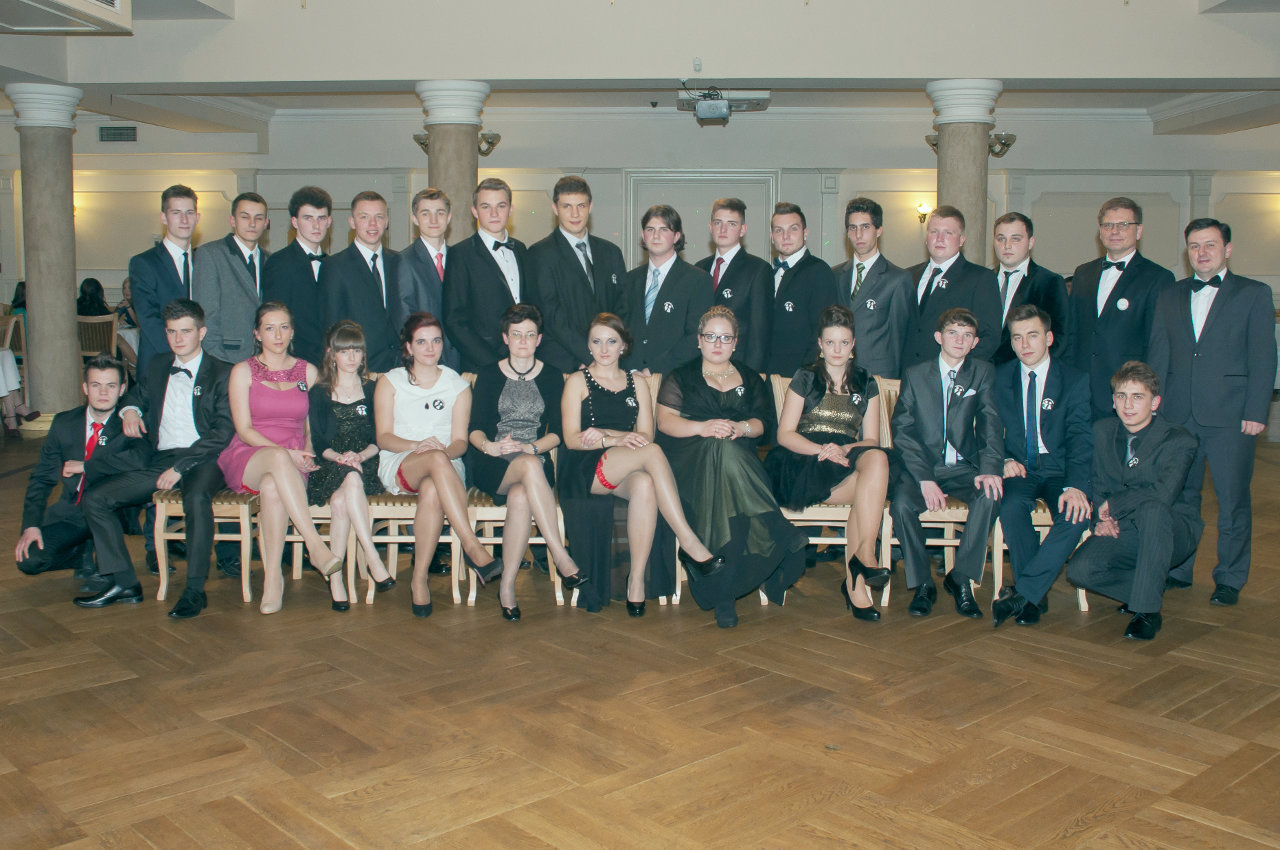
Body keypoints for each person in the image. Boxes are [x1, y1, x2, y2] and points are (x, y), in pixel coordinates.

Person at [77, 301, 234, 617]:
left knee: (196, 498)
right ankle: (124, 582)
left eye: (185, 331)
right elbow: (135, 395)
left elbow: (223, 431)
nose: (178, 339)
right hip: (161, 458)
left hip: (204, 457)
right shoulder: (159, 364)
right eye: (172, 332)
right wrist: (130, 410)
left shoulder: (223, 372)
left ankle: (194, 591)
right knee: (95, 498)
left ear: (202, 332)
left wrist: (181, 467)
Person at [1149, 218, 1277, 605]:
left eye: (1210, 245)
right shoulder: (1170, 294)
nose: (1201, 252)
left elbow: (1264, 357)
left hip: (1231, 417)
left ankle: (1230, 578)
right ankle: (1178, 569)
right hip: (1177, 415)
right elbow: (1159, 353)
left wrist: (1257, 411)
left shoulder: (1254, 293)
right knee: (1180, 498)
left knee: (1232, 500)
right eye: (1194, 246)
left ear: (1228, 249)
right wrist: (1154, 409)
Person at [560, 313, 724, 613]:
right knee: (653, 453)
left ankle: (635, 581)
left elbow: (646, 434)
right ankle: (689, 542)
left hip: (624, 460)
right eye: (597, 342)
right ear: (588, 345)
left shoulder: (637, 382)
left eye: (612, 341)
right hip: (584, 466)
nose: (604, 349)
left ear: (624, 345)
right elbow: (571, 439)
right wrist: (611, 440)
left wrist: (613, 435)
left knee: (645, 484)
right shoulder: (576, 381)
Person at [657, 306, 807, 627]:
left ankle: (724, 593)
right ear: (699, 340)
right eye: (710, 336)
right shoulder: (680, 375)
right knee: (719, 447)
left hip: (739, 467)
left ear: (736, 343)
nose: (717, 343)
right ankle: (777, 526)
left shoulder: (751, 378)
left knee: (726, 464)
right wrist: (703, 427)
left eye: (725, 338)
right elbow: (665, 421)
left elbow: (763, 424)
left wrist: (741, 428)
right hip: (689, 465)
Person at [767, 305, 892, 621]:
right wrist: (823, 450)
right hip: (805, 459)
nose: (837, 349)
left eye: (844, 342)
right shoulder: (805, 377)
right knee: (868, 490)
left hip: (847, 456)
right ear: (820, 344)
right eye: (831, 342)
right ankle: (859, 575)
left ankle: (863, 556)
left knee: (878, 458)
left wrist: (843, 448)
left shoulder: (866, 382)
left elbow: (871, 439)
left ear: (853, 345)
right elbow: (784, 434)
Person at [218, 301, 344, 614]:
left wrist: (308, 452)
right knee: (276, 459)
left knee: (273, 487)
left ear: (292, 332)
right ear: (257, 334)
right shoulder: (242, 371)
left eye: (284, 327)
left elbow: (313, 427)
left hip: (295, 457)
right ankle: (315, 545)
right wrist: (287, 454)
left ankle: (273, 579)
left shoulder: (309, 371)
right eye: (269, 328)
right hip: (249, 453)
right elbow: (244, 429)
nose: (277, 335)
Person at [375, 312, 500, 618]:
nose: (430, 348)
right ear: (408, 347)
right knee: (433, 459)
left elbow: (460, 442)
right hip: (402, 460)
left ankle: (419, 579)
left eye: (436, 341)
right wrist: (418, 446)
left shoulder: (457, 385)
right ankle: (471, 545)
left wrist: (441, 451)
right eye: (421, 342)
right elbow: (384, 438)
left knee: (433, 486)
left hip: (446, 464)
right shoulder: (390, 381)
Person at [467, 304, 588, 620]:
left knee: (522, 492)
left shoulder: (552, 375)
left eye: (530, 334)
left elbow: (559, 432)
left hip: (534, 455)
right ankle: (560, 555)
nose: (523, 341)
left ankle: (507, 587)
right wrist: (491, 446)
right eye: (517, 334)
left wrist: (531, 447)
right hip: (494, 461)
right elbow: (474, 429)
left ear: (539, 339)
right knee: (530, 466)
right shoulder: (488, 373)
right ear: (505, 338)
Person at [1066, 361, 1200, 640]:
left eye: (1138, 397)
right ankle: (1145, 589)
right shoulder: (1102, 431)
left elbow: (1163, 493)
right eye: (1121, 396)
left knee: (1152, 510)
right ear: (1113, 401)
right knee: (1080, 570)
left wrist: (1113, 505)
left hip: (1171, 531)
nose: (1128, 405)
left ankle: (1147, 612)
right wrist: (1100, 519)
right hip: (1123, 528)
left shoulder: (1178, 439)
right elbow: (1097, 483)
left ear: (1155, 403)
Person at [890, 308, 1003, 619]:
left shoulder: (982, 372)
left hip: (964, 467)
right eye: (953, 333)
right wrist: (924, 478)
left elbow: (991, 424)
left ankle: (961, 577)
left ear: (975, 342)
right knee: (901, 504)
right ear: (938, 337)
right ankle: (923, 583)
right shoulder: (915, 374)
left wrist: (990, 469)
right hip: (923, 468)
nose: (959, 340)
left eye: (967, 335)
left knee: (990, 494)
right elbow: (902, 429)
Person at [990, 305, 1092, 628]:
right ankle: (1033, 594)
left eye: (1032, 335)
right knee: (1010, 506)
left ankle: (1026, 593)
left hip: (1060, 469)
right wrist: (1002, 460)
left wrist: (1076, 486)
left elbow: (1080, 439)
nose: (1025, 344)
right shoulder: (999, 377)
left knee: (1076, 513)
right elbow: (986, 430)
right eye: (1017, 337)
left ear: (1048, 338)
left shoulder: (1074, 380)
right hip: (1019, 467)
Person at [306, 320, 396, 612]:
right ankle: (372, 556)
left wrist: (360, 456)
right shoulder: (319, 392)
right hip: (330, 464)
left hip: (367, 462)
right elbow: (319, 442)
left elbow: (380, 437)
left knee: (341, 500)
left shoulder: (374, 389)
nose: (351, 357)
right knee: (349, 481)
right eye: (344, 351)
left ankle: (335, 580)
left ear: (363, 354)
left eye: (357, 350)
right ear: (332, 354)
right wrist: (341, 457)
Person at [15, 354, 131, 580]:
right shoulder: (64, 423)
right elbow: (42, 478)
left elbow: (137, 463)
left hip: (110, 510)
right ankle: (81, 554)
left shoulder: (128, 425)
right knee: (30, 559)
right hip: (72, 511)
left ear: (122, 389)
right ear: (85, 388)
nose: (103, 393)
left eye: (110, 385)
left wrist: (87, 466)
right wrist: (31, 525)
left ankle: (105, 560)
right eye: (96, 385)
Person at [1065, 197, 1175, 420]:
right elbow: (1073, 332)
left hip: (1127, 395)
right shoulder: (1083, 273)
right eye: (1108, 225)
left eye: (1123, 224)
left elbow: (1158, 344)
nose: (1114, 231)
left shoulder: (1158, 278)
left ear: (1139, 231)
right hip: (1082, 392)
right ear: (1100, 231)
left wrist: (1146, 395)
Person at [526, 176, 628, 374]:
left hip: (611, 363)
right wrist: (589, 358)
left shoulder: (611, 252)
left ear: (590, 207)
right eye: (567, 206)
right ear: (555, 209)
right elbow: (551, 316)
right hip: (567, 365)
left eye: (581, 205)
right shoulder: (540, 254)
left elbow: (622, 308)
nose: (575, 213)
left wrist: (610, 354)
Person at [443, 178, 529, 373]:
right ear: (474, 211)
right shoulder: (460, 254)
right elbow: (454, 321)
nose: (494, 213)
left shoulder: (521, 249)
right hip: (483, 367)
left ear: (511, 209)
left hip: (525, 362)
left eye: (501, 206)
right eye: (486, 206)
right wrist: (494, 364)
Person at [902, 206, 1002, 368]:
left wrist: (958, 372)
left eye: (948, 233)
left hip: (952, 375)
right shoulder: (907, 276)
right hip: (907, 374)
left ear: (962, 240)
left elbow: (989, 337)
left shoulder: (980, 278)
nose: (939, 239)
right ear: (927, 238)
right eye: (934, 232)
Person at [619, 205, 714, 376]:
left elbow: (696, 336)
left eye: (664, 229)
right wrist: (631, 369)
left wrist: (653, 370)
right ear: (643, 235)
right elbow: (619, 330)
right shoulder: (629, 280)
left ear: (677, 236)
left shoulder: (698, 280)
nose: (656, 235)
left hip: (675, 378)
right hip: (629, 376)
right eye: (650, 229)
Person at [319, 190, 401, 372]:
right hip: (357, 368)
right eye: (364, 217)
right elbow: (331, 324)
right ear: (352, 222)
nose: (373, 223)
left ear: (386, 222)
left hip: (399, 367)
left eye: (379, 217)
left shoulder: (399, 262)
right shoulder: (335, 266)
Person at [832, 197, 912, 380]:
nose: (859, 234)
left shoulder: (898, 279)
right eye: (853, 228)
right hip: (839, 375)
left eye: (865, 227)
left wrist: (896, 384)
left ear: (879, 230)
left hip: (878, 378)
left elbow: (901, 340)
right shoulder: (835, 275)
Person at [693, 198, 772, 373]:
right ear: (710, 227)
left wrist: (751, 376)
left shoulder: (758, 269)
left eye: (731, 224)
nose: (723, 229)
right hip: (700, 366)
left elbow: (759, 333)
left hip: (738, 367)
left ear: (742, 230)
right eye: (718, 223)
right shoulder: (699, 268)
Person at [193, 191, 271, 364]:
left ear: (266, 223)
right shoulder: (211, 255)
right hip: (226, 358)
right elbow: (206, 315)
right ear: (232, 220)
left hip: (265, 359)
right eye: (245, 217)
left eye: (258, 218)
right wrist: (219, 363)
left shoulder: (270, 260)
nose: (252, 224)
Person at [130, 185, 199, 379]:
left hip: (200, 365)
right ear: (163, 217)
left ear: (197, 217)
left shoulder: (205, 261)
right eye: (176, 213)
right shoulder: (144, 263)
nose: (184, 220)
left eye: (189, 213)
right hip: (159, 363)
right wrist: (182, 357)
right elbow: (149, 319)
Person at [263, 186, 334, 366]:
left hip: (330, 363)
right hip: (293, 361)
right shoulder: (279, 263)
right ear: (294, 222)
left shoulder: (334, 265)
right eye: (308, 218)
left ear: (329, 221)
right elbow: (275, 319)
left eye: (321, 218)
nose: (316, 225)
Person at [766, 202, 838, 376]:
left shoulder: (819, 271)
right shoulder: (766, 273)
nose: (786, 236)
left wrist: (804, 378)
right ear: (772, 236)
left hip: (800, 376)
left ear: (805, 233)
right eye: (779, 230)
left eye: (793, 229)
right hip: (768, 375)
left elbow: (822, 333)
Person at [990, 212, 1069, 365]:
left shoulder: (1049, 281)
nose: (1007, 245)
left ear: (1030, 242)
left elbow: (1060, 335)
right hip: (983, 371)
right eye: (1001, 239)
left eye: (1015, 239)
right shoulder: (983, 280)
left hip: (1025, 370)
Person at [394, 187, 460, 370]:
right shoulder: (403, 261)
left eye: (440, 213)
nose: (433, 220)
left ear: (449, 217)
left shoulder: (460, 258)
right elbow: (404, 319)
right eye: (425, 214)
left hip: (461, 360)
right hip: (423, 362)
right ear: (415, 219)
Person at [115, 277, 140, 370]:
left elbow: (139, 323)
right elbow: (113, 318)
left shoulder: (140, 303)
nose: (126, 291)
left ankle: (137, 365)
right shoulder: (123, 303)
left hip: (138, 334)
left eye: (129, 288)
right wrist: (118, 320)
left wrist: (128, 307)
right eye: (124, 288)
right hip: (127, 332)